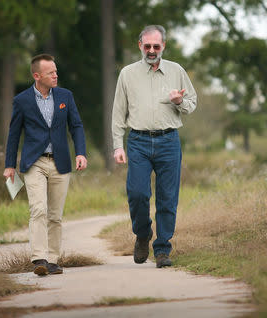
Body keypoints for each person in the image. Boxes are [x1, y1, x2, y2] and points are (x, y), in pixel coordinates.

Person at [112, 25, 197, 268]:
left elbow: (192, 103)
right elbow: (118, 113)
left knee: (168, 198)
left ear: (163, 47)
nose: (151, 50)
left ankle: (162, 249)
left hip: (169, 141)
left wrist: (180, 101)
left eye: (156, 46)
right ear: (139, 45)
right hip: (138, 141)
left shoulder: (177, 71)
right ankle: (142, 233)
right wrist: (118, 146)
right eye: (147, 46)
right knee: (137, 194)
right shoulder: (127, 74)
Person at [3, 54, 87, 276]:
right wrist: (9, 165)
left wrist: (81, 153)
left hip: (60, 163)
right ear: (37, 76)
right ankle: (39, 258)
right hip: (34, 163)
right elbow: (14, 134)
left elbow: (76, 126)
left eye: (56, 71)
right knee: (38, 209)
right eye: (51, 73)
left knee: (55, 215)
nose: (56, 75)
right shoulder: (22, 101)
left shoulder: (65, 96)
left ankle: (52, 260)